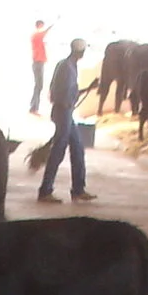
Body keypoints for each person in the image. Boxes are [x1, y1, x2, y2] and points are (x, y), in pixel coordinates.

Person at [36, 36, 97, 205]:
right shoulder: (67, 68)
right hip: (63, 113)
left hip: (65, 113)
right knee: (58, 152)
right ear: (81, 52)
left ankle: (78, 189)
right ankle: (45, 190)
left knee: (77, 149)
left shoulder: (66, 65)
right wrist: (67, 104)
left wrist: (88, 89)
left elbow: (63, 92)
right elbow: (62, 93)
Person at [29, 18, 52, 113]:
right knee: (39, 85)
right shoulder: (37, 34)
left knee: (38, 85)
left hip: (37, 62)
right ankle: (34, 107)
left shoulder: (35, 36)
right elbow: (45, 32)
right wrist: (53, 22)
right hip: (38, 62)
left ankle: (33, 105)